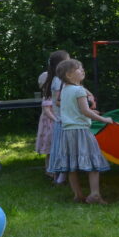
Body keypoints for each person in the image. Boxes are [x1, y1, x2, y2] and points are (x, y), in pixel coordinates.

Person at [47, 58, 115, 204]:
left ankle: (78, 195)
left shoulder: (65, 90)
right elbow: (85, 111)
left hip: (67, 132)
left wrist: (89, 111)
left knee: (71, 165)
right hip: (81, 131)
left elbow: (72, 108)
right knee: (93, 162)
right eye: (79, 68)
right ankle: (95, 195)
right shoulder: (79, 90)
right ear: (69, 75)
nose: (82, 70)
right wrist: (103, 119)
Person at [40, 49, 70, 182]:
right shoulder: (57, 81)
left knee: (60, 148)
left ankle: (59, 175)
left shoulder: (59, 80)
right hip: (60, 119)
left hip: (61, 118)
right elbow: (58, 101)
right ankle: (58, 175)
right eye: (68, 60)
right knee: (59, 149)